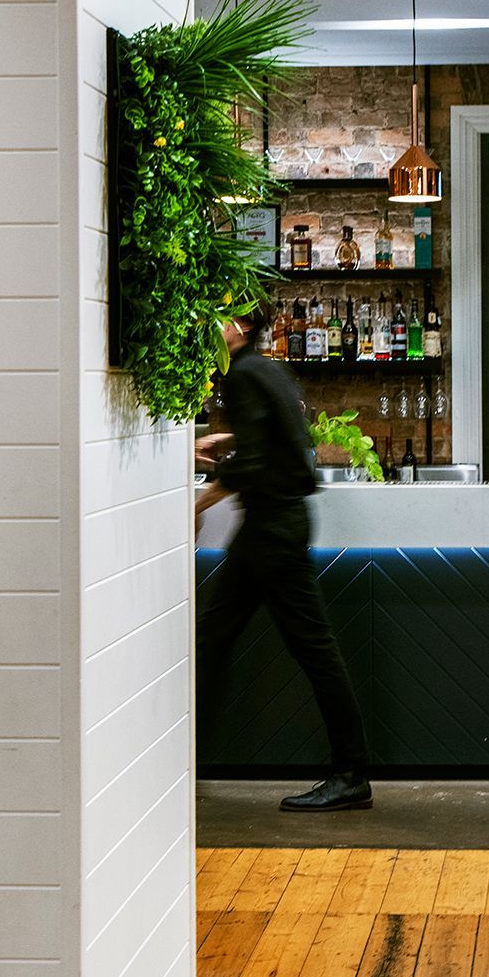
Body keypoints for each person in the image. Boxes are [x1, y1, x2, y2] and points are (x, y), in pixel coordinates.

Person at [195, 306, 373, 812]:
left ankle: (351, 774)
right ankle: (182, 762)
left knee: (312, 648)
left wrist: (198, 503)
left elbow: (255, 462)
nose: (214, 327)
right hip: (273, 527)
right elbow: (285, 440)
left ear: (240, 326)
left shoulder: (245, 374)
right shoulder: (268, 368)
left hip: (273, 528)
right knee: (213, 637)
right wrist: (222, 440)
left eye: (221, 318)